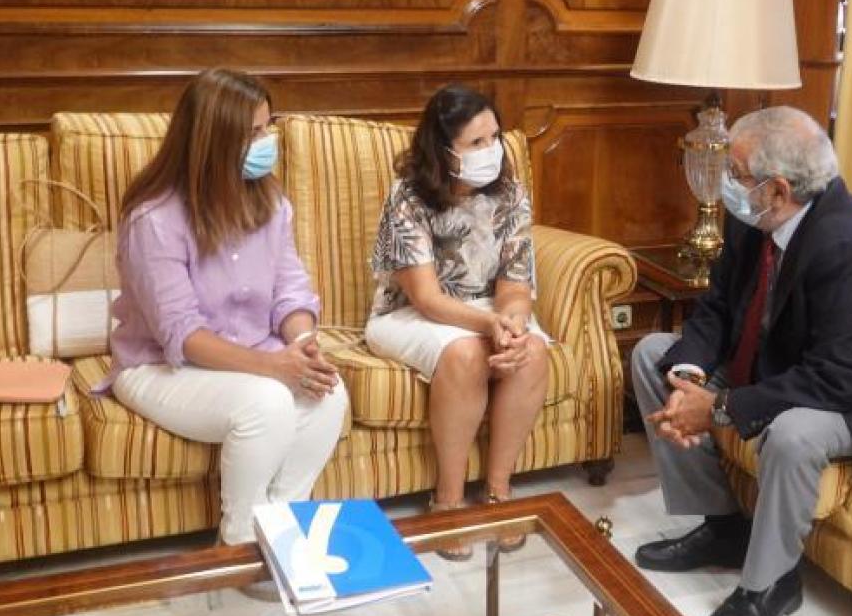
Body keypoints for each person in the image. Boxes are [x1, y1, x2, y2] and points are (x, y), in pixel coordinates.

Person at [632, 106, 852, 616]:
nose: (727, 183)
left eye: (736, 173)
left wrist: (722, 408)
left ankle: (770, 585)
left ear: (777, 189)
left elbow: (834, 379)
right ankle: (723, 528)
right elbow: (718, 307)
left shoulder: (850, 247)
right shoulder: (755, 217)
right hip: (788, 363)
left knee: (795, 432)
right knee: (651, 353)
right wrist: (689, 378)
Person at [104, 68, 348, 546]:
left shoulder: (271, 202)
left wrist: (302, 345)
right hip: (158, 366)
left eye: (267, 126)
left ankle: (280, 532)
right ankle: (235, 545)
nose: (268, 141)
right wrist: (275, 367)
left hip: (256, 354)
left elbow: (290, 289)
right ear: (213, 141)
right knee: (268, 403)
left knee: (329, 393)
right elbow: (181, 334)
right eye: (253, 132)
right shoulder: (154, 218)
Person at [365, 84, 548, 558]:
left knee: (531, 351)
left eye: (495, 137)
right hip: (411, 313)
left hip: (488, 308)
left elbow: (515, 280)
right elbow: (425, 296)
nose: (492, 151)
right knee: (466, 353)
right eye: (476, 143)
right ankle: (446, 501)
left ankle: (497, 493)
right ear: (444, 151)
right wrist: (486, 327)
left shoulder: (510, 192)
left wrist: (510, 321)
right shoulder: (409, 195)